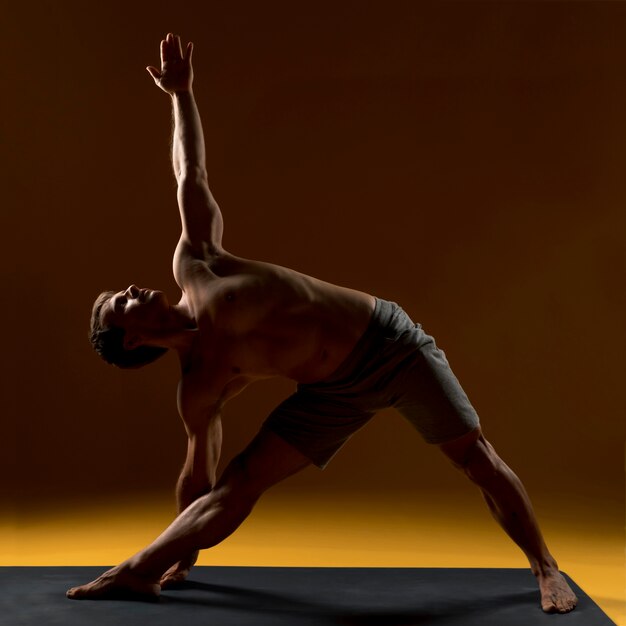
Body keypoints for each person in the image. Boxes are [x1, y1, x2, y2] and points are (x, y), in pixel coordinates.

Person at [67, 33, 577, 614]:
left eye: (123, 291)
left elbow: (191, 176)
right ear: (132, 339)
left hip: (390, 345)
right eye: (121, 303)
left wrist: (181, 96)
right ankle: (144, 568)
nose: (131, 289)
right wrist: (185, 554)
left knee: (476, 458)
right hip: (331, 394)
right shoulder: (200, 383)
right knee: (241, 481)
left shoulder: (197, 264)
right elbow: (199, 475)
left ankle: (545, 566)